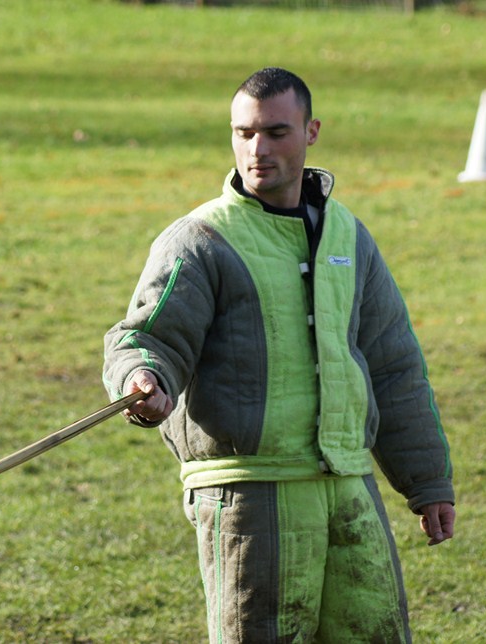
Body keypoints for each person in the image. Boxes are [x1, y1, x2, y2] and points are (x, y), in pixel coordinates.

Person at [102, 68, 455, 642]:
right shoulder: (198, 240)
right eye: (243, 133)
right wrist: (140, 380)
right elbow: (145, 339)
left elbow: (393, 366)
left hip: (347, 486)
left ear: (312, 131)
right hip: (248, 496)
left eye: (275, 132)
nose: (257, 149)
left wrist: (428, 480)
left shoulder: (349, 236)